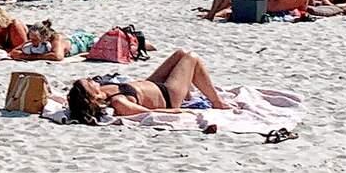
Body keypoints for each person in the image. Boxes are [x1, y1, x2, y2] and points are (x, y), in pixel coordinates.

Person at [65, 49, 232, 123]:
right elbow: (148, 112)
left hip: (153, 84)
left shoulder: (102, 88)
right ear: (92, 96)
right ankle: (217, 102)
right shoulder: (118, 102)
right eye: (88, 83)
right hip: (168, 96)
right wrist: (177, 111)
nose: (91, 79)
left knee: (180, 54)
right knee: (192, 57)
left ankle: (187, 92)